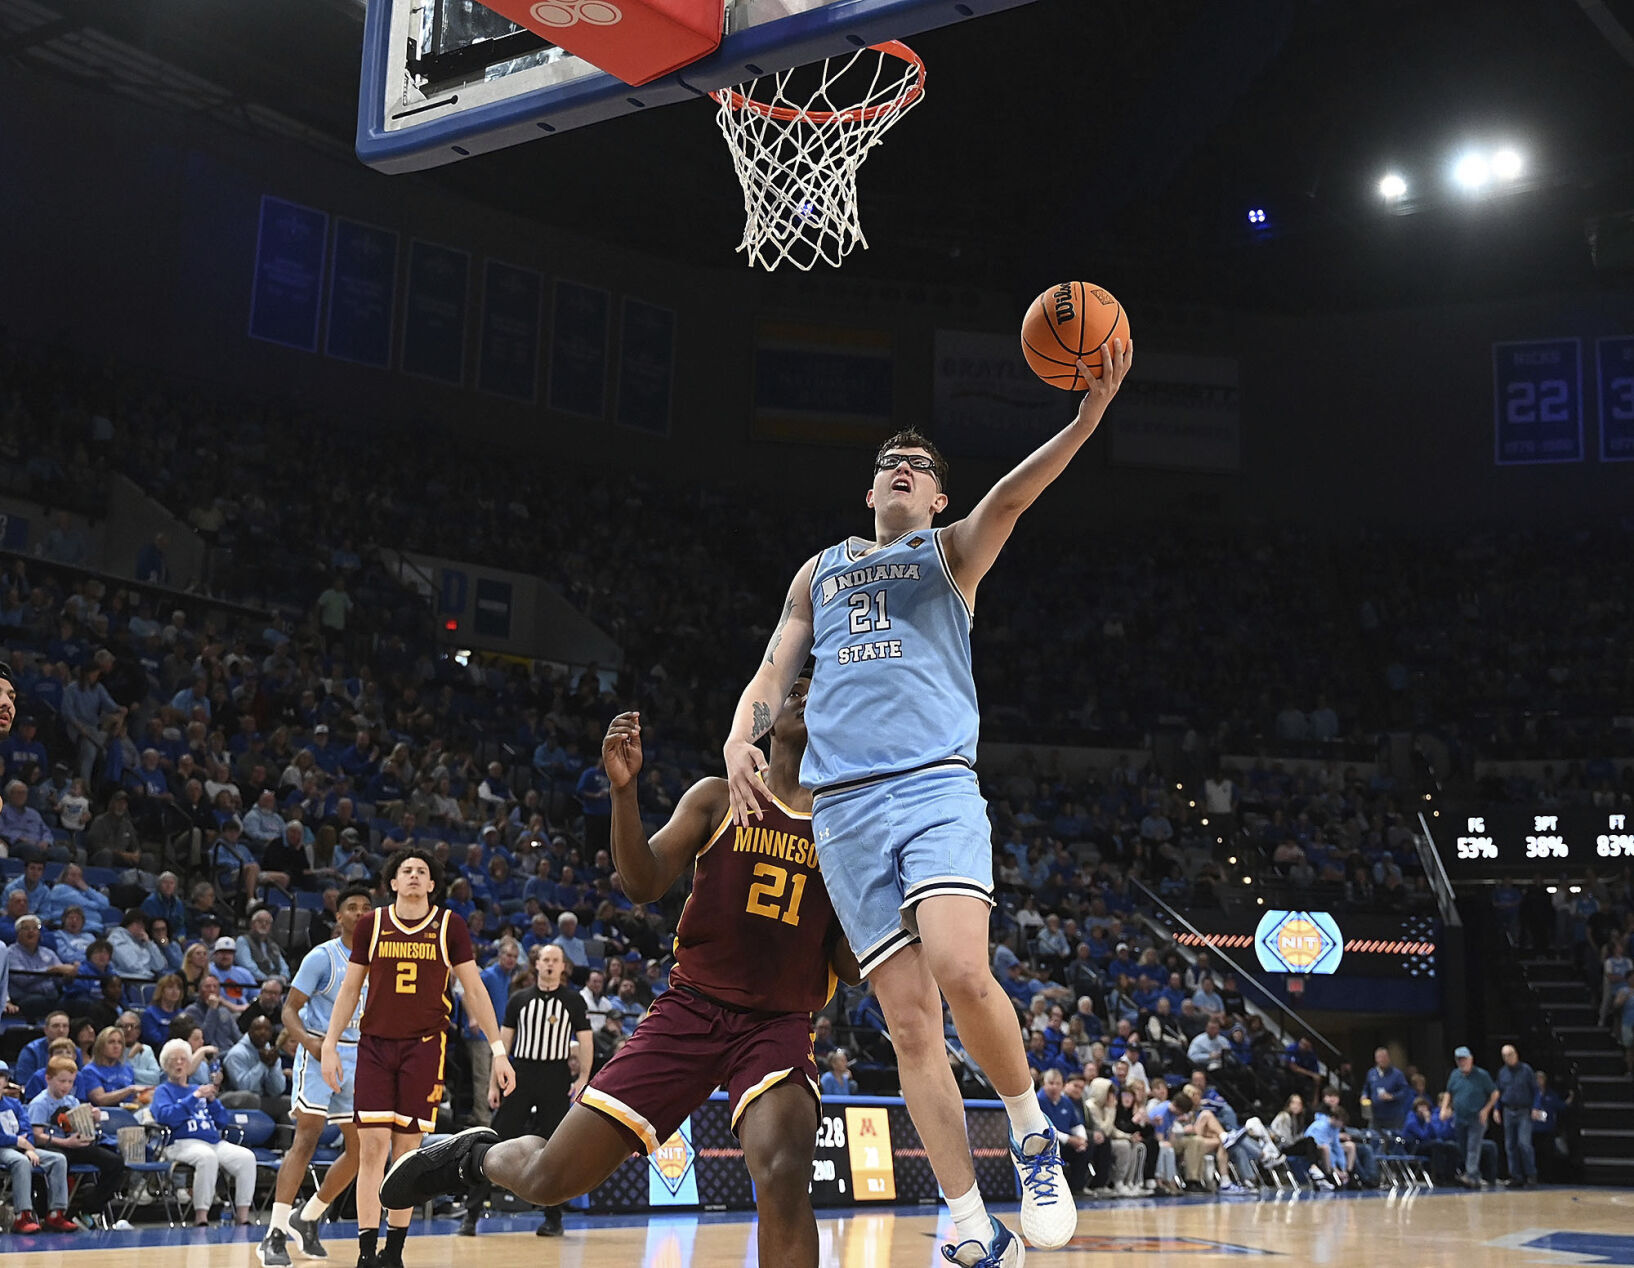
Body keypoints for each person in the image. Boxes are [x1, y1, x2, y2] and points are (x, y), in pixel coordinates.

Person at [718, 350, 1134, 1263]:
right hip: (844, 811)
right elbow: (773, 669)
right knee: (908, 1023)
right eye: (888, 464)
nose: (901, 469)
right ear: (870, 491)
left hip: (934, 784)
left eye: (921, 468)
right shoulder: (817, 573)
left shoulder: (948, 555)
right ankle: (972, 1222)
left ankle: (1031, 1136)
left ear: (939, 499)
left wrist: (1083, 425)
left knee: (960, 967)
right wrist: (741, 734)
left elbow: (1016, 499)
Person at [379, 687, 860, 1268]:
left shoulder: (847, 826)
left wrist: (891, 912)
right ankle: (473, 1158)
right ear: (765, 717)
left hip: (778, 1025)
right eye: (794, 687)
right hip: (691, 1009)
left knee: (784, 1172)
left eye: (819, 686)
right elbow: (642, 882)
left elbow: (848, 967)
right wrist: (624, 791)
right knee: (549, 1177)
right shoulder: (717, 797)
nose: (806, 695)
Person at [320, 849, 514, 1268]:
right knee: (371, 1148)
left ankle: (395, 1250)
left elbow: (475, 991)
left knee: (406, 1155)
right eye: (405, 871)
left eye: (421, 872)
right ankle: (366, 1251)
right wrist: (330, 1044)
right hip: (374, 1046)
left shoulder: (450, 925)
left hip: (424, 1047)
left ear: (431, 885)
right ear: (392, 883)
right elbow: (351, 989)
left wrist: (498, 1051)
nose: (412, 876)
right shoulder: (372, 925)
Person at [259, 885, 375, 1267]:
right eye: (352, 908)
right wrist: (311, 1045)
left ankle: (307, 1216)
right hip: (323, 1048)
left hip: (362, 1055)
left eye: (366, 908)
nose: (360, 913)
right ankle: (274, 1234)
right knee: (306, 1138)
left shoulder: (381, 961)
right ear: (339, 917)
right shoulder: (322, 957)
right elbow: (289, 1010)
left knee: (362, 1150)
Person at [460, 943, 591, 1238]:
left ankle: (553, 1218)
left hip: (556, 1076)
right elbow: (503, 1045)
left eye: (555, 961)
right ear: (536, 964)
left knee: (556, 1147)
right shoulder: (519, 999)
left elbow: (586, 1041)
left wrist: (583, 1077)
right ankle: (471, 1215)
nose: (549, 965)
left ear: (562, 967)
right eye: (545, 959)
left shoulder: (573, 1001)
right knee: (494, 1141)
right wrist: (494, 1084)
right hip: (521, 1074)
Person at [152, 1038, 257, 1226]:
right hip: (181, 1143)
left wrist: (212, 1101)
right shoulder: (163, 1091)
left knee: (247, 1157)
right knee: (206, 1157)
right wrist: (193, 1099)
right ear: (165, 1066)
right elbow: (166, 1118)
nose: (178, 1063)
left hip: (213, 1141)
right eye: (173, 1060)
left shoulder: (197, 1088)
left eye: (183, 1059)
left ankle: (243, 1215)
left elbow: (222, 1120)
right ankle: (201, 1216)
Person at [29, 1056, 126, 1226]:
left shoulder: (72, 1101)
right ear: (48, 1079)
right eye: (62, 1081)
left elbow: (80, 1126)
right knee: (60, 1161)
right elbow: (37, 1136)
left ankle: (88, 1207)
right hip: (51, 1147)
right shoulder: (39, 1103)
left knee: (115, 1162)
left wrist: (94, 1119)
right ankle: (53, 1211)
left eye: (70, 1082)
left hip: (73, 1145)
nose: (66, 1086)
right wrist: (66, 1143)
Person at [0, 1058, 75, 1233]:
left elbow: (26, 1127)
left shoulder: (14, 1104)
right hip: (5, 1148)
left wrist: (27, 1147)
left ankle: (56, 1213)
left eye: (2, 1077)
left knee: (58, 1159)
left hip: (21, 1146)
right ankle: (22, 1215)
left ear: (6, 1080)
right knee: (21, 1161)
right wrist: (17, 1142)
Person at [1440, 1045, 1499, 1187]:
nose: (1462, 1062)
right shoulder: (1454, 1075)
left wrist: (1486, 1110)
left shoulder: (1482, 1075)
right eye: (1459, 1060)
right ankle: (1474, 1176)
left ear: (1471, 1059)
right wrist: (1444, 1108)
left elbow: (1495, 1093)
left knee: (1473, 1146)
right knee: (1463, 1147)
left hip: (1477, 1118)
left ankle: (1471, 1175)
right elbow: (1449, 1092)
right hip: (1460, 1117)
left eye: (1464, 1059)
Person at [1495, 1043, 1537, 1188]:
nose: (1508, 1058)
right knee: (1510, 1145)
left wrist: (1535, 1107)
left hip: (1523, 1110)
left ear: (1516, 1054)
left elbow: (1535, 1091)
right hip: (1508, 1110)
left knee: (1524, 1144)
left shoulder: (1526, 1070)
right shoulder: (1502, 1073)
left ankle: (1531, 1174)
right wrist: (1496, 1109)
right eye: (1505, 1056)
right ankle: (1515, 1176)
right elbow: (1498, 1092)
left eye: (1510, 1054)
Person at [1363, 1046, 1410, 1132]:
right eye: (1379, 1057)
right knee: (1375, 1139)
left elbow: (1405, 1092)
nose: (1382, 1060)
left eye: (1384, 1057)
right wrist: (1364, 1095)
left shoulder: (1397, 1074)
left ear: (1388, 1058)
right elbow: (1366, 1088)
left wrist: (1392, 1096)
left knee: (1393, 1140)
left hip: (1393, 1116)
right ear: (1376, 1059)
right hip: (1375, 1115)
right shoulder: (1371, 1073)